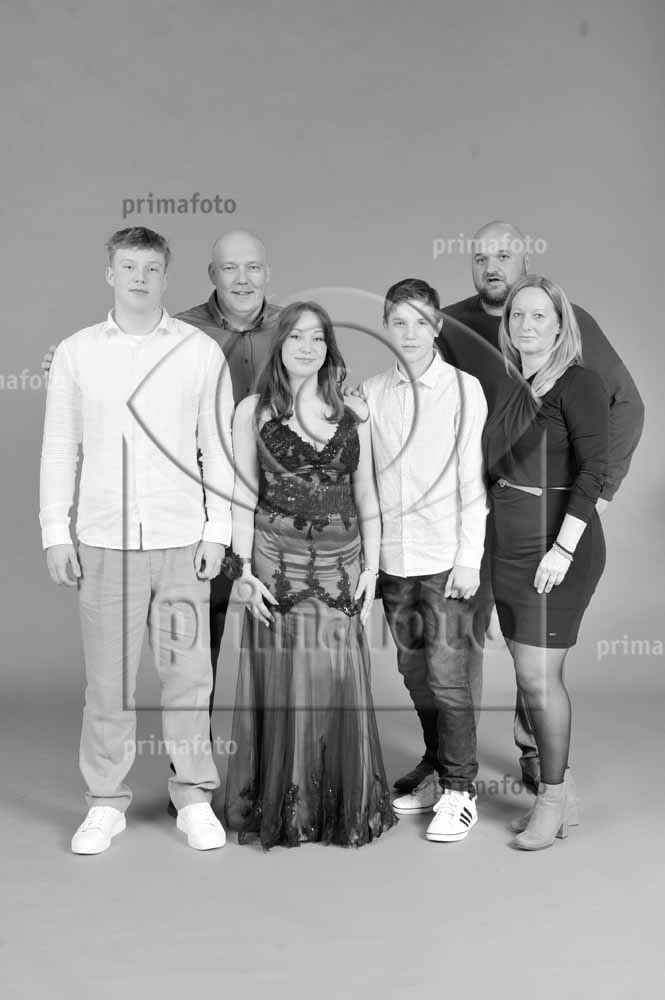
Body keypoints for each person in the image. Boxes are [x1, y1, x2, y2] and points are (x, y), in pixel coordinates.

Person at [429, 219, 644, 798]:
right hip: (474, 514)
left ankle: (538, 759)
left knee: (535, 653)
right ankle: (453, 765)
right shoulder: (451, 325)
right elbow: (424, 399)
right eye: (480, 257)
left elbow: (624, 405)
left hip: (542, 519)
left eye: (504, 255)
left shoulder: (567, 322)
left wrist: (590, 497)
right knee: (458, 636)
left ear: (525, 263)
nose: (491, 266)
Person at [39, 226, 235, 854]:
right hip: (104, 541)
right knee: (107, 685)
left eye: (151, 268)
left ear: (166, 276)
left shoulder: (199, 353)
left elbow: (218, 446)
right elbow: (60, 446)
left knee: (189, 680)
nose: (140, 279)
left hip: (181, 541)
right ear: (110, 274)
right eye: (129, 267)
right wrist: (54, 530)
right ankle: (105, 803)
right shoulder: (76, 354)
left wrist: (218, 529)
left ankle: (195, 798)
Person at [224, 301, 396, 848]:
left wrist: (373, 568)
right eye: (296, 336)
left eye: (318, 337)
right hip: (277, 560)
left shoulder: (354, 412)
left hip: (345, 562)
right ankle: (289, 806)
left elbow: (367, 494)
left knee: (337, 674)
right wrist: (242, 570)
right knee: (288, 674)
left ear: (328, 348)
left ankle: (338, 804)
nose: (307, 346)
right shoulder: (252, 411)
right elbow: (241, 494)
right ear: (279, 345)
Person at [483, 274, 609, 849]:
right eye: (517, 315)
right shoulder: (514, 384)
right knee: (525, 675)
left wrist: (563, 547)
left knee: (539, 678)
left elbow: (593, 471)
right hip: (508, 548)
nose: (526, 325)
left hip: (556, 549)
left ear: (560, 325)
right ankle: (566, 800)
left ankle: (551, 799)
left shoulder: (579, 384)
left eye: (539, 315)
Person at [362, 279, 488, 843]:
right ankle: (437, 768)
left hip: (444, 557)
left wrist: (468, 558)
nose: (409, 333)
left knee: (448, 675)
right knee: (414, 673)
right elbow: (364, 476)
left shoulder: (462, 389)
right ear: (386, 328)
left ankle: (461, 790)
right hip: (395, 559)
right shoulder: (372, 393)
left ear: (437, 326)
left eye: (420, 322)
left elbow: (471, 477)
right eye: (399, 322)